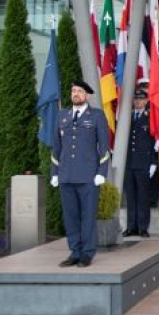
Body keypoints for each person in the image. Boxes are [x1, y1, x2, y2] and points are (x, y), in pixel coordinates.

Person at [50, 80, 110, 267]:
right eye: (73, 90)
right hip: (66, 175)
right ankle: (75, 251)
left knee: (88, 216)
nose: (75, 94)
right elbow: (56, 147)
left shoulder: (97, 116)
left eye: (79, 91)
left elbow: (104, 147)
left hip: (88, 176)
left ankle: (87, 253)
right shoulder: (62, 116)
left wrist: (101, 172)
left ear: (87, 95)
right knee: (71, 217)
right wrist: (54, 172)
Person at [123, 88, 157, 238]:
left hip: (143, 163)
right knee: (130, 197)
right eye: (136, 99)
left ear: (146, 101)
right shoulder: (127, 117)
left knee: (143, 196)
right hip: (129, 163)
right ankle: (131, 227)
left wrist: (153, 163)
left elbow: (154, 142)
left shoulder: (150, 118)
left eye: (141, 99)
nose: (138, 101)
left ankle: (143, 227)